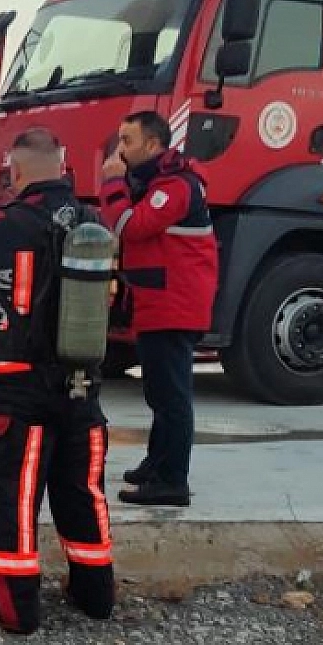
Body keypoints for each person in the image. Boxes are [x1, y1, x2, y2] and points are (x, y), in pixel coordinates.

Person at [0, 129, 115, 635]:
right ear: (62, 166)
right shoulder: (93, 224)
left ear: (16, 171)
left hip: (18, 389)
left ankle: (15, 609)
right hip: (82, 384)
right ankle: (95, 596)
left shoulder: (3, 225)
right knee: (83, 493)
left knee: (11, 496)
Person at [99, 111, 219, 507]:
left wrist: (112, 184)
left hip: (174, 305)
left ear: (152, 145)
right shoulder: (162, 183)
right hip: (162, 303)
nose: (120, 150)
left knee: (171, 397)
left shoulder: (175, 187)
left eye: (127, 141)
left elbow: (131, 227)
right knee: (159, 393)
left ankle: (172, 482)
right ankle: (157, 463)